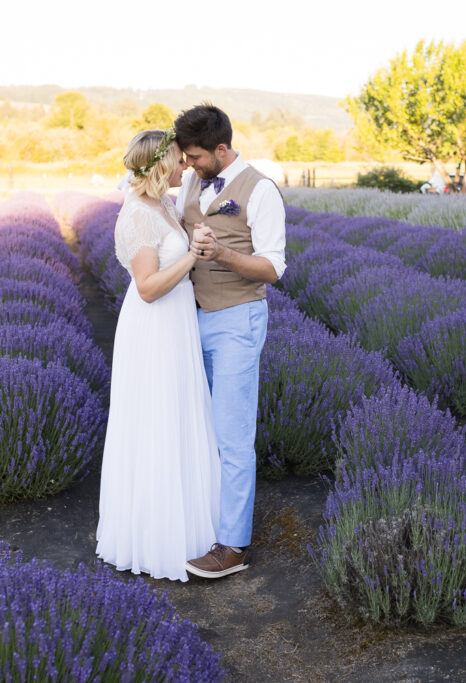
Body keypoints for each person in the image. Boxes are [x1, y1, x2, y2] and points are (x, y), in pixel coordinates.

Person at [96, 129, 221, 582]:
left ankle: (190, 527)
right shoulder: (137, 216)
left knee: (182, 414)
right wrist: (191, 256)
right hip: (154, 327)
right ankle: (156, 537)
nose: (186, 165)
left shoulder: (163, 206)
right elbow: (147, 288)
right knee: (157, 420)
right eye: (178, 161)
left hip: (177, 325)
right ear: (159, 166)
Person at [175, 104, 286, 579]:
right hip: (187, 318)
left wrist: (220, 252)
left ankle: (233, 546)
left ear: (222, 149)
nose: (190, 165)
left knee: (233, 436)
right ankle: (200, 520)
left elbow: (273, 269)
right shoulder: (191, 182)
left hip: (237, 320)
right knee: (197, 427)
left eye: (197, 157)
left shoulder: (260, 190)